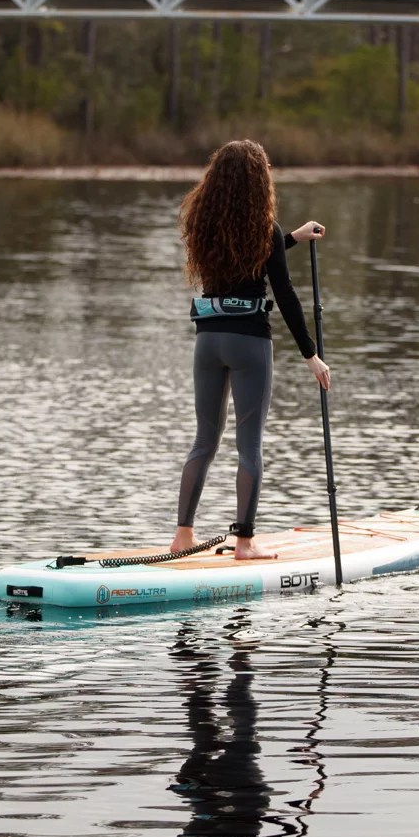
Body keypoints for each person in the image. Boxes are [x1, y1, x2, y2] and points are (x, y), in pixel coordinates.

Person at [171, 139, 331, 561]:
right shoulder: (264, 230)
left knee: (204, 440)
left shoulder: (202, 227)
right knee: (249, 446)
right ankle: (245, 542)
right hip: (249, 345)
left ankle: (182, 537)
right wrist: (310, 353)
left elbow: (249, 261)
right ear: (261, 182)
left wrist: (290, 239)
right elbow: (284, 292)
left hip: (207, 343)